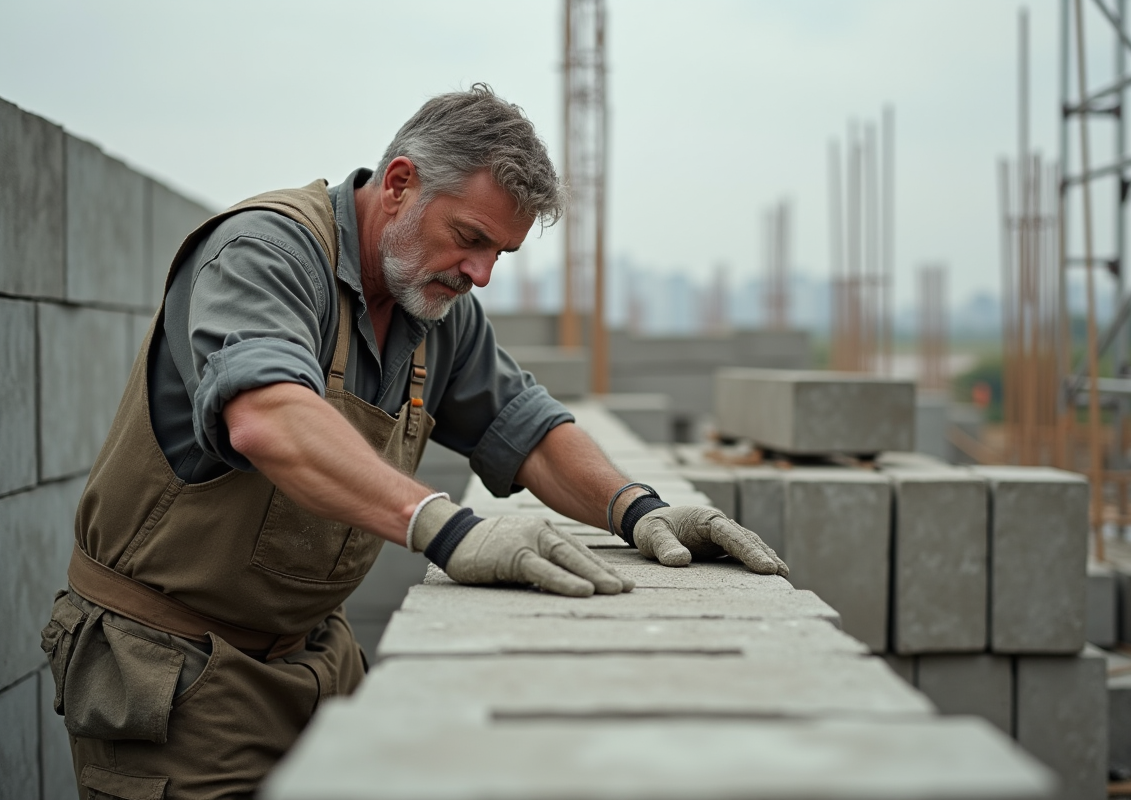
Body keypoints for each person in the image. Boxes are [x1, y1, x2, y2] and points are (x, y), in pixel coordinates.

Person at [41, 84, 787, 800]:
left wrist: (637, 509)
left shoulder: (431, 306)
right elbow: (268, 417)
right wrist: (447, 529)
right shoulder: (264, 253)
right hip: (176, 675)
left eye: (501, 254)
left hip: (315, 659)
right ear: (399, 184)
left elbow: (525, 426)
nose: (482, 274)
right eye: (470, 239)